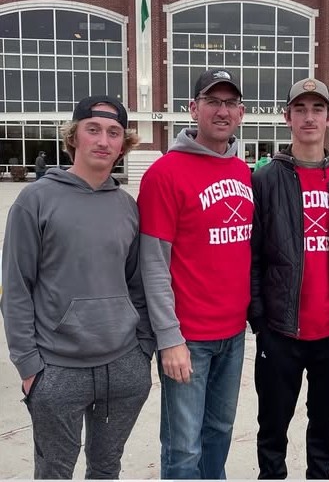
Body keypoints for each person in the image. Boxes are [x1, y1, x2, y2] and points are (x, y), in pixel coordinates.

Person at [1, 95, 155, 479]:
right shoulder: (35, 200)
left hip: (123, 365)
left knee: (106, 468)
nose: (103, 140)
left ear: (123, 145)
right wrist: (29, 366)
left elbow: (138, 282)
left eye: (113, 132)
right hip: (57, 369)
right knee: (54, 471)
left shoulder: (126, 206)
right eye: (93, 130)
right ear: (74, 138)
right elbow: (16, 287)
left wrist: (143, 349)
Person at [249, 77, 329, 479]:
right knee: (272, 427)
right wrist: (261, 320)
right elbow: (251, 254)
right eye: (300, 109)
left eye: (317, 109)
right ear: (287, 117)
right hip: (281, 332)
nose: (308, 117)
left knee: (325, 427)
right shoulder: (264, 180)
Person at [137, 68, 254, 479]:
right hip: (188, 338)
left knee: (219, 432)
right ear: (193, 109)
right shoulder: (164, 174)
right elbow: (152, 263)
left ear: (240, 113)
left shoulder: (243, 172)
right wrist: (169, 339)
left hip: (233, 335)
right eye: (212, 102)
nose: (222, 111)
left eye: (230, 104)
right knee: (183, 446)